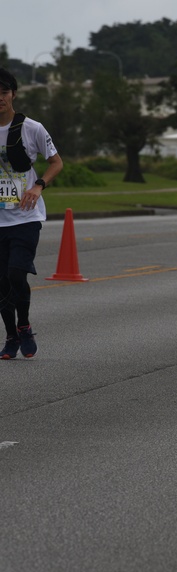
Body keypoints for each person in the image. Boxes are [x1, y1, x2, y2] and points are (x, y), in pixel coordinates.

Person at [0, 67, 63, 360]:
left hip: (26, 215)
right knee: (1, 282)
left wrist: (38, 186)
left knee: (16, 274)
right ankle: (11, 336)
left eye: (3, 92)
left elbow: (56, 163)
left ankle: (24, 325)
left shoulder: (32, 128)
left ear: (13, 94)